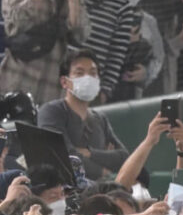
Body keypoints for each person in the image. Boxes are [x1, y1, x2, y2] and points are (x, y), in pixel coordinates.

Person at [37, 51, 130, 184]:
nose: (87, 78)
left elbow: (123, 157)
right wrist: (103, 171)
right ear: (64, 82)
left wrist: (90, 153)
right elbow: (64, 156)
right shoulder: (51, 112)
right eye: (79, 73)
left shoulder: (100, 118)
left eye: (93, 73)